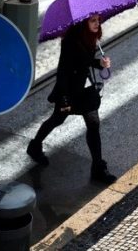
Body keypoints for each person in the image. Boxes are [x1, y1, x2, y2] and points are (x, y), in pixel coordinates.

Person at [27, 14, 117, 184]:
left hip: (84, 92)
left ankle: (97, 167)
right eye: (93, 20)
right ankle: (35, 146)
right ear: (84, 23)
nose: (97, 23)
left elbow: (86, 60)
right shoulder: (70, 42)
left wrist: (100, 64)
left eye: (98, 20)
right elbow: (63, 72)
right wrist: (65, 100)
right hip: (68, 91)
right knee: (57, 119)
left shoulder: (90, 38)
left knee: (93, 124)